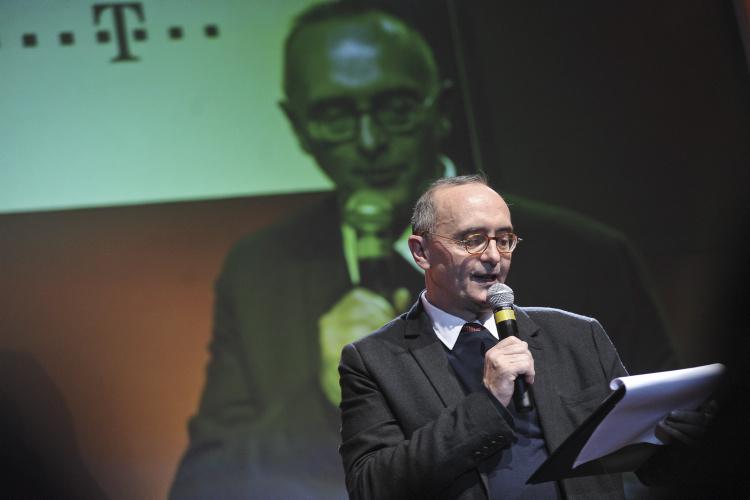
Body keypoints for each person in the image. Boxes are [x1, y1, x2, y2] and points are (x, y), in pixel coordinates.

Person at [170, 3, 677, 498]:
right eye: (335, 114)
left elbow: (655, 442)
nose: (370, 140)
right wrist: (314, 398)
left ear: (441, 106)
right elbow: (208, 478)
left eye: (396, 107)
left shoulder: (588, 260)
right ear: (298, 126)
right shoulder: (260, 271)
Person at [339, 175, 713, 499]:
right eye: (472, 240)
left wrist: (682, 442)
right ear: (421, 252)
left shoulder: (578, 335)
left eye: (504, 240)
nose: (494, 256)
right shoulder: (374, 360)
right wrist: (488, 404)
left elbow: (649, 466)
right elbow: (371, 487)